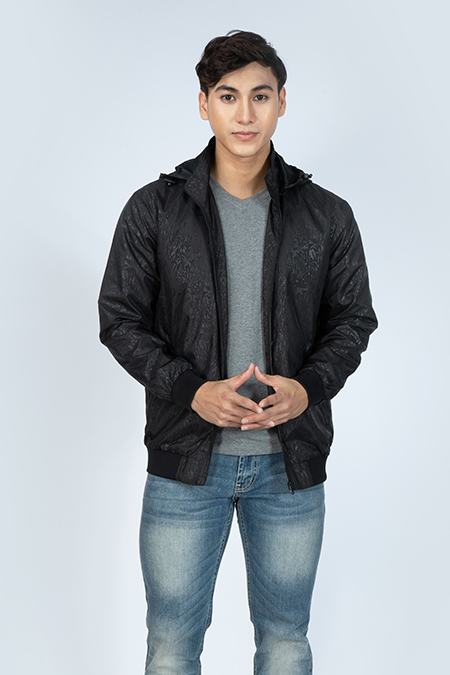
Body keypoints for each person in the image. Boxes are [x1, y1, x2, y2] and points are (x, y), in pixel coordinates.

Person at [98, 30, 377, 675]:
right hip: (184, 466)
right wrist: (192, 390)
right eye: (228, 96)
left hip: (289, 464)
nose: (244, 114)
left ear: (282, 103)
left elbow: (353, 321)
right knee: (171, 647)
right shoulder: (154, 210)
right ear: (204, 105)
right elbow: (120, 319)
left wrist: (307, 388)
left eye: (260, 96)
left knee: (285, 641)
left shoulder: (327, 216)